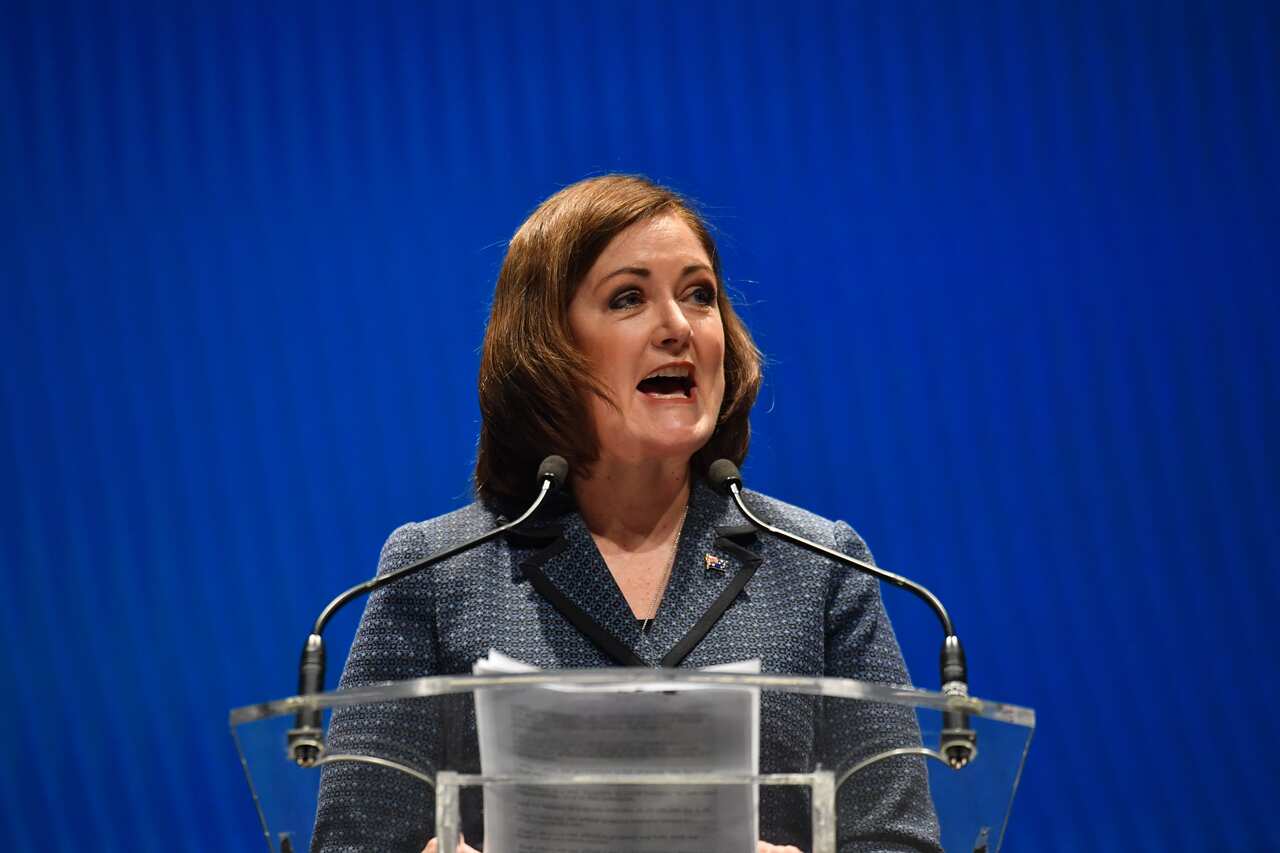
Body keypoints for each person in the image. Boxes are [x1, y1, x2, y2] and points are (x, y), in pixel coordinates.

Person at [312, 175, 940, 852]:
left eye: (699, 295)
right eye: (628, 298)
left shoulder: (819, 569)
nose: (678, 327)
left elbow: (898, 840)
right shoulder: (440, 574)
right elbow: (354, 841)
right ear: (547, 345)